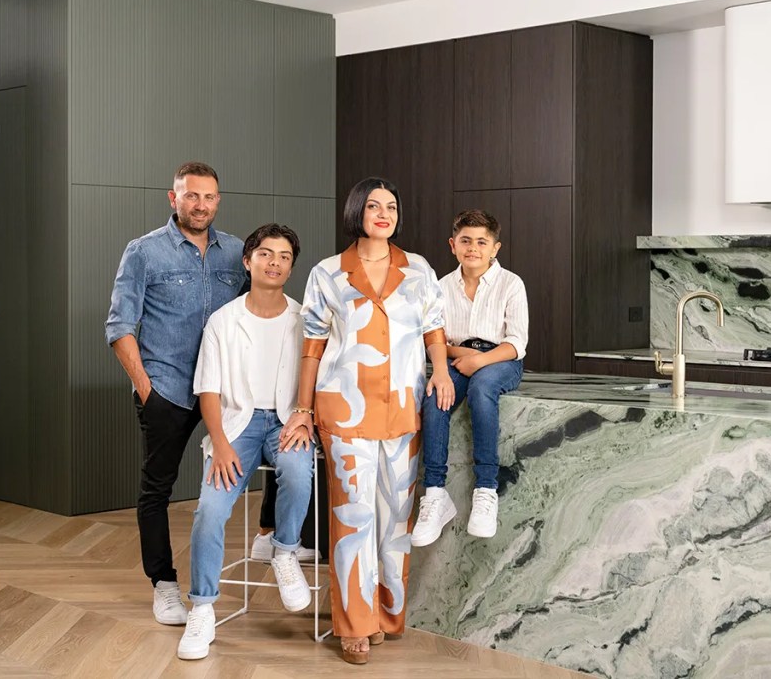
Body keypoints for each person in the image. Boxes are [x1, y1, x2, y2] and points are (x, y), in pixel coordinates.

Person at [278, 177, 454, 665]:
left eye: (391, 206)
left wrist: (440, 371)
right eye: (374, 205)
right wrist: (302, 408)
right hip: (344, 410)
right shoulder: (328, 273)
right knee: (353, 518)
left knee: (395, 521)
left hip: (403, 409)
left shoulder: (417, 269)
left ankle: (384, 615)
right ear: (358, 211)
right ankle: (353, 625)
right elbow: (312, 345)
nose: (384, 213)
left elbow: (433, 327)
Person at [106, 162, 246, 625]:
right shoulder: (144, 252)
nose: (200, 205)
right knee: (157, 489)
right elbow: (120, 325)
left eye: (208, 197)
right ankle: (164, 586)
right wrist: (146, 390)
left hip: (224, 391)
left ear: (217, 201)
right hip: (167, 390)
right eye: (191, 196)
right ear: (174, 198)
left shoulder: (238, 254)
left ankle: (272, 537)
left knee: (277, 451)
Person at [177, 223, 314, 660]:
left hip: (287, 420)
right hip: (236, 425)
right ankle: (202, 607)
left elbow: (314, 377)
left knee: (296, 470)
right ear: (247, 260)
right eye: (266, 254)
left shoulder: (303, 318)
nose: (275, 263)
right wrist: (219, 442)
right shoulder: (223, 321)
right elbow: (209, 390)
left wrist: (304, 416)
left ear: (292, 265)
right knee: (209, 512)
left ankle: (285, 552)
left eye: (285, 256)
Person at [411, 209, 528, 546]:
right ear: (452, 245)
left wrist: (480, 361)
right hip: (458, 357)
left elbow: (516, 343)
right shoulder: (441, 287)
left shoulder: (511, 284)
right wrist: (461, 358)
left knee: (482, 390)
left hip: (500, 359)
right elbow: (435, 338)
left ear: (495, 248)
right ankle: (434, 493)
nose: (473, 248)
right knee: (435, 398)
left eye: (481, 242)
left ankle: (486, 489)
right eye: (465, 241)